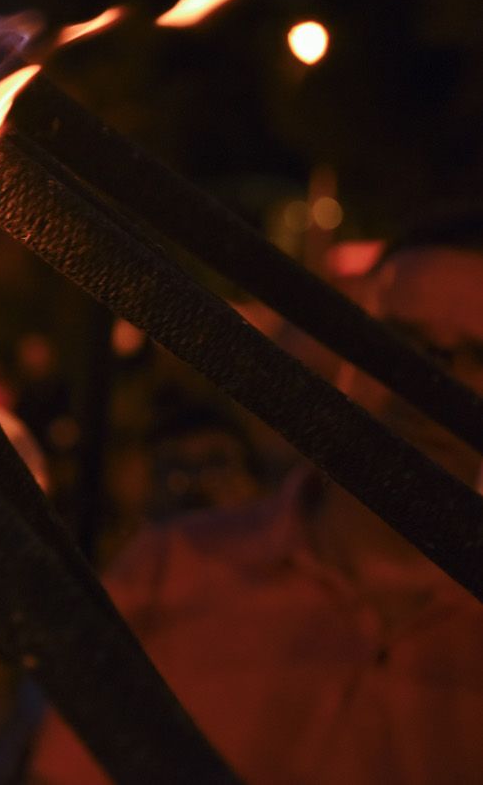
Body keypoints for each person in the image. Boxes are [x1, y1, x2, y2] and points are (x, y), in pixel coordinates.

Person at [29, 208, 483, 784]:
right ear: (347, 353)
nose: (433, 382)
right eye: (401, 343)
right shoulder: (170, 574)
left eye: (478, 356)